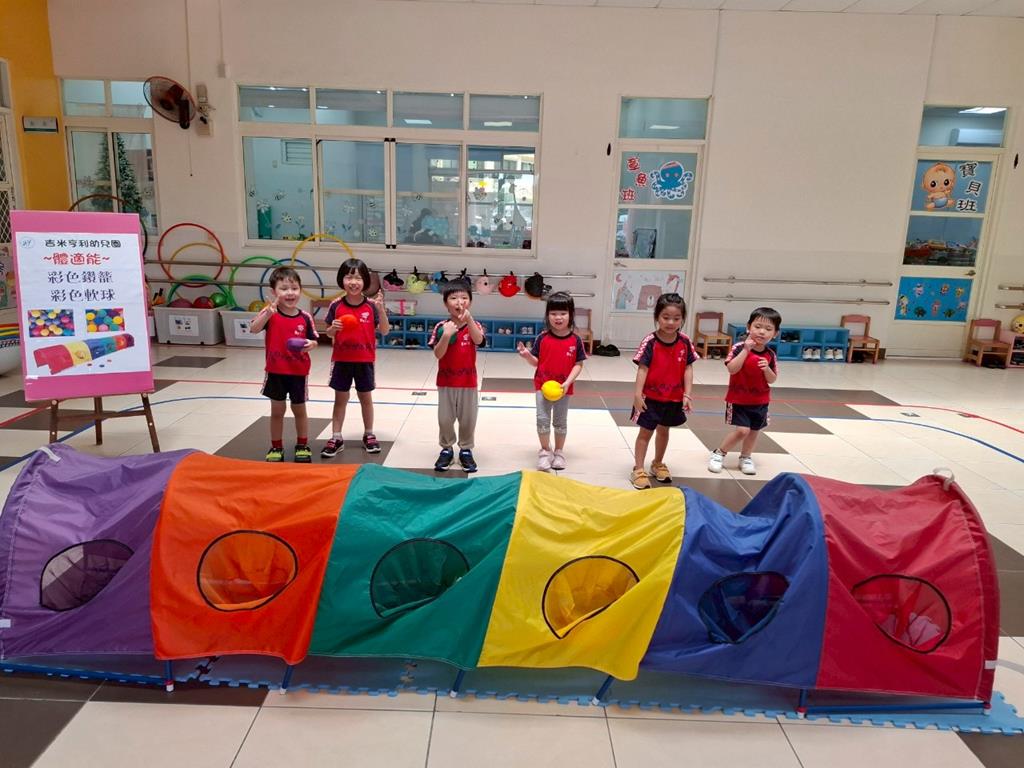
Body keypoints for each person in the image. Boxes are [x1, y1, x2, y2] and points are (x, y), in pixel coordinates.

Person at [320, 258, 390, 458]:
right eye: (349, 277)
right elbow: (329, 332)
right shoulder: (336, 305)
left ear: (365, 281)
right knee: (340, 399)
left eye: (358, 278)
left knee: (365, 398)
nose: (353, 282)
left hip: (364, 360)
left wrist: (381, 309)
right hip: (341, 360)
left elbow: (385, 330)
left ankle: (369, 434)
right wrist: (333, 329)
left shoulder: (371, 306)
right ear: (341, 280)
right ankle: (336, 436)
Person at [248, 266, 318, 463]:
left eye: (294, 288)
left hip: (298, 372)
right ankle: (276, 446)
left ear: (300, 290)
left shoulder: (305, 317)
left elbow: (314, 340)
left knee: (299, 410)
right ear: (274, 292)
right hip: (275, 372)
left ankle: (302, 445)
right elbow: (253, 329)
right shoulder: (270, 313)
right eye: (284, 288)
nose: (290, 293)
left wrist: (311, 344)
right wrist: (267, 314)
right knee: (277, 411)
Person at [630, 293, 698, 490]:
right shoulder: (650, 342)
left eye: (676, 318)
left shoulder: (685, 341)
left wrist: (687, 394)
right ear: (657, 317)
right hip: (650, 398)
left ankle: (657, 463)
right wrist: (637, 395)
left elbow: (688, 368)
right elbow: (642, 369)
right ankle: (638, 468)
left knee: (664, 430)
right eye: (665, 317)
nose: (670, 322)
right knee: (645, 432)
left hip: (673, 398)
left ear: (682, 319)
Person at [516, 292, 587, 471]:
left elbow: (578, 364)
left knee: (560, 421)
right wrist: (527, 356)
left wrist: (568, 383)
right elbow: (537, 362)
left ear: (571, 315)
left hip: (563, 388)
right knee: (542, 419)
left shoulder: (575, 340)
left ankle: (559, 452)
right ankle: (545, 451)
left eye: (563, 313)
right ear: (547, 315)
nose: (558, 317)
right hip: (542, 385)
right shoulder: (542, 338)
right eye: (553, 313)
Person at [708, 307, 781, 476]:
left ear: (775, 334)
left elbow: (772, 379)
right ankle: (719, 453)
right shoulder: (738, 348)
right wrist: (746, 350)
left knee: (754, 431)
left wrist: (766, 369)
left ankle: (746, 457)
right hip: (738, 399)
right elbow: (732, 369)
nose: (762, 332)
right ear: (749, 327)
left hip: (760, 401)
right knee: (742, 430)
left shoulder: (770, 354)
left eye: (768, 329)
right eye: (758, 326)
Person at [428, 280, 485, 472]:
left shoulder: (474, 324)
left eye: (464, 297)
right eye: (453, 298)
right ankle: (446, 448)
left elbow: (479, 340)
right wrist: (446, 335)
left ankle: (466, 449)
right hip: (446, 381)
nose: (459, 301)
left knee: (468, 418)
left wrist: (469, 321)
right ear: (446, 304)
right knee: (445, 419)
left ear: (470, 302)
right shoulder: (441, 326)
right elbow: (438, 354)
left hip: (468, 382)